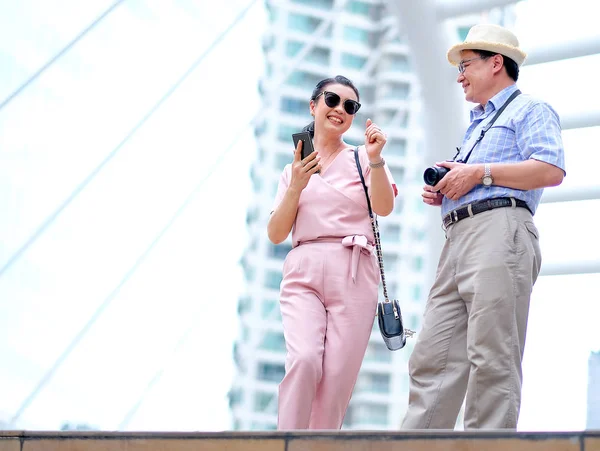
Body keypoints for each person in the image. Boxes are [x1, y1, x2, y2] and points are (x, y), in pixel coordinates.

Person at [401, 24, 566, 430]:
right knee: (432, 357)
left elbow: (550, 169)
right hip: (458, 237)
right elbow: (480, 176)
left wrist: (479, 174)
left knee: (492, 356)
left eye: (465, 65)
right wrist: (453, 189)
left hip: (500, 231)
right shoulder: (476, 125)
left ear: (497, 63)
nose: (459, 75)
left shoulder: (531, 110)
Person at [267, 75, 398, 429]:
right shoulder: (291, 171)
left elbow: (384, 207)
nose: (340, 109)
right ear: (314, 106)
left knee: (336, 382)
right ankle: (287, 442)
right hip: (303, 272)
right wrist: (296, 185)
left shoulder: (360, 159)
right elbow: (277, 232)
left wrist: (376, 160)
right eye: (332, 100)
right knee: (305, 360)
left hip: (354, 272)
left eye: (350, 106)